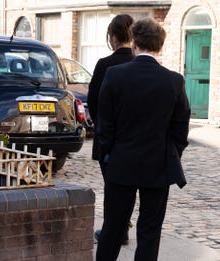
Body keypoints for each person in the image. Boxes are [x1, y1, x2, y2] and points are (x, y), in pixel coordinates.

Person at [95, 18, 191, 260]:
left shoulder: (115, 75)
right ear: (160, 47)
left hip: (121, 162)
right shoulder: (173, 80)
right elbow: (181, 128)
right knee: (150, 231)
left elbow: (105, 125)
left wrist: (108, 157)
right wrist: (170, 153)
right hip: (157, 165)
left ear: (135, 43)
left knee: (113, 228)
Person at [87, 13, 135, 245]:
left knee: (113, 188)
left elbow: (94, 102)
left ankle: (112, 232)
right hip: (136, 137)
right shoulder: (141, 63)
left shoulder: (105, 65)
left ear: (113, 37)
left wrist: (101, 125)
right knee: (131, 188)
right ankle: (122, 229)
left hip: (109, 138)